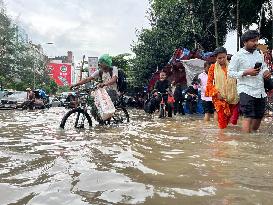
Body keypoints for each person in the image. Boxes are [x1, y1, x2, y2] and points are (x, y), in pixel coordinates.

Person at [228, 30, 271, 133]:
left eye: (257, 40)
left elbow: (264, 67)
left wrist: (266, 72)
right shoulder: (237, 56)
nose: (256, 43)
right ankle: (246, 142)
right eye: (253, 41)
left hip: (260, 90)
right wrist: (246, 72)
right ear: (245, 42)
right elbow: (230, 73)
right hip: (245, 89)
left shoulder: (259, 53)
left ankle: (253, 138)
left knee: (259, 115)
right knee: (248, 115)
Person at [205, 47, 239, 130]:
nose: (222, 59)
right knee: (222, 121)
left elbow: (238, 80)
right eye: (219, 58)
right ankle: (221, 139)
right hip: (219, 97)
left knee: (228, 120)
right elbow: (209, 83)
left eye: (224, 57)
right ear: (216, 58)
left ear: (226, 56)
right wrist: (217, 93)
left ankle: (225, 138)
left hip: (232, 96)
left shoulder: (232, 66)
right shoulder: (212, 67)